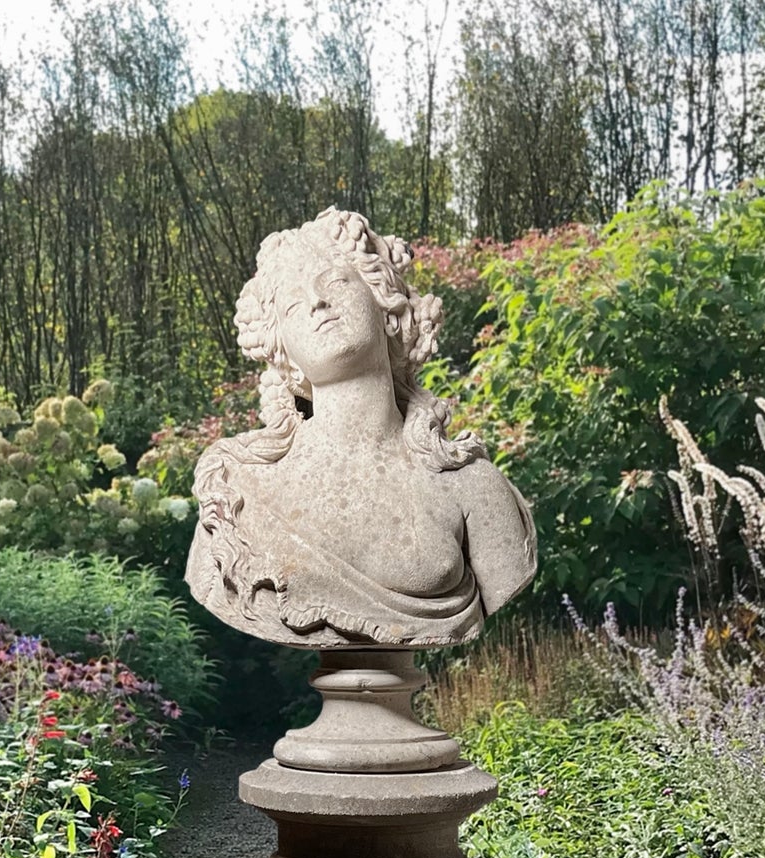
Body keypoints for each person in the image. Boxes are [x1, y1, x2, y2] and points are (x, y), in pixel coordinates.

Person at [185, 207, 536, 648]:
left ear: (387, 306)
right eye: (293, 304)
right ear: (283, 352)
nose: (316, 302)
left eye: (335, 282)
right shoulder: (238, 493)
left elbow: (505, 575)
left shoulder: (471, 488)